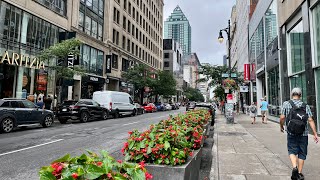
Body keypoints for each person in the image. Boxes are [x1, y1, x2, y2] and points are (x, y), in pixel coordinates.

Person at [280, 88, 318, 180]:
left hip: (291, 132)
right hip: (303, 133)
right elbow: (310, 120)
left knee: (291, 150)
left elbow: (282, 117)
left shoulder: (286, 104)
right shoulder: (305, 106)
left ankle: (294, 167)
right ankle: (299, 173)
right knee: (302, 153)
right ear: (300, 95)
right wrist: (315, 134)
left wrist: (281, 126)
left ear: (291, 94)